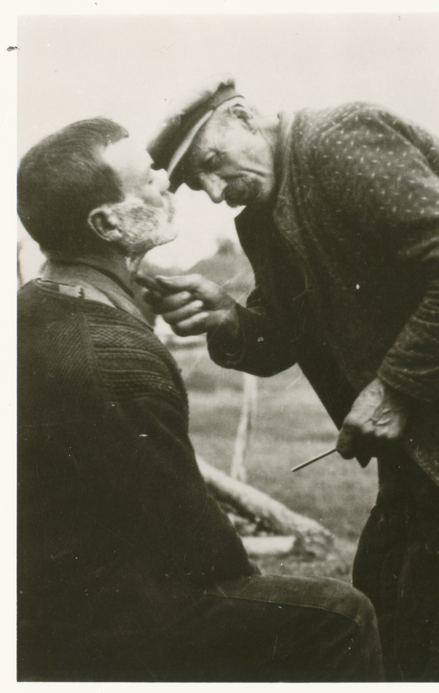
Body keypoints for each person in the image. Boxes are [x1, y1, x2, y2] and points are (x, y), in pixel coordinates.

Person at [143, 78, 439, 681]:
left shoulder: (340, 142)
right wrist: (227, 315)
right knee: (386, 582)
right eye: (194, 183)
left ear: (243, 117)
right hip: (421, 398)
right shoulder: (260, 212)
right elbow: (283, 335)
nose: (213, 190)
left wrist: (394, 389)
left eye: (211, 162)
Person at [17, 118, 383, 682]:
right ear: (106, 223)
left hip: (38, 604)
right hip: (92, 626)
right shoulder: (117, 356)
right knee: (345, 616)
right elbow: (199, 550)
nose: (166, 180)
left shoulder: (33, 307)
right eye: (146, 178)